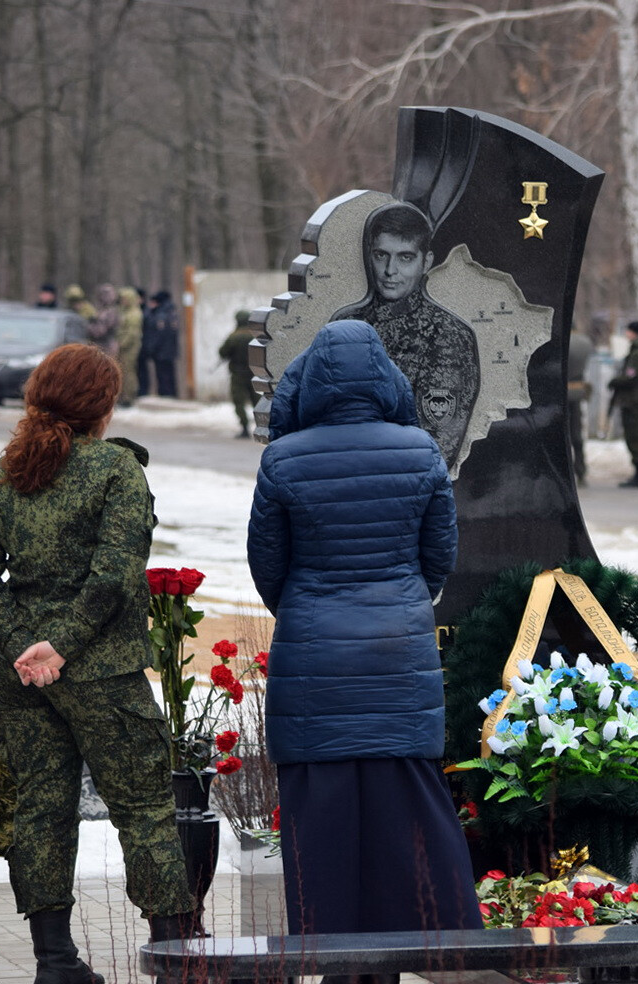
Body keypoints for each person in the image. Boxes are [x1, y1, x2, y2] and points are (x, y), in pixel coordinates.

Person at [0, 344, 197, 982]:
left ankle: (55, 964)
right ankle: (173, 959)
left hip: (22, 679)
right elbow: (115, 575)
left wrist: (22, 646)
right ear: (103, 406)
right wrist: (58, 646)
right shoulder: (116, 472)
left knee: (41, 810)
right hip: (102, 674)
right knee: (144, 809)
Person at [247, 320, 480, 947]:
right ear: (384, 378)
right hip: (397, 654)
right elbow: (438, 561)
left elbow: (268, 568)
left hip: (314, 666)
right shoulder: (420, 451)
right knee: (409, 824)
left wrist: (307, 607)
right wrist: (400, 598)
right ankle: (432, 949)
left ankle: (337, 960)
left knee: (318, 836)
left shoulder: (283, 459)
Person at [334, 202, 479, 468]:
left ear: (426, 263)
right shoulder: (345, 324)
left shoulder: (447, 334)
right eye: (381, 255)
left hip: (395, 486)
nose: (390, 271)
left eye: (405, 258)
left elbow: (435, 446)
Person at [607, 320, 638, 488]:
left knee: (634, 435)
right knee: (637, 434)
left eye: (628, 331)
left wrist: (615, 381)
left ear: (634, 332)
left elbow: (631, 376)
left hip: (633, 400)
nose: (626, 334)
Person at [218, 310, 257, 438]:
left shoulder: (234, 336)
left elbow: (223, 352)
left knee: (239, 402)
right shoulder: (255, 335)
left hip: (238, 374)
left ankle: (245, 427)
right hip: (255, 373)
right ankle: (263, 426)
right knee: (257, 401)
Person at [566, 328, 594, 486]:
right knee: (577, 435)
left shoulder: (562, 340)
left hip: (561, 392)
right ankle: (581, 470)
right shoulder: (584, 343)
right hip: (577, 391)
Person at [146, 290, 180, 397]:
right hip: (169, 350)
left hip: (161, 351)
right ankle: (171, 394)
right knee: (169, 374)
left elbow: (157, 334)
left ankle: (166, 395)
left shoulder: (160, 314)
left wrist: (151, 348)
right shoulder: (171, 312)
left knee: (163, 375)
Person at [116, 287, 143, 408]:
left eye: (125, 299)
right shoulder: (124, 311)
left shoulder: (134, 313)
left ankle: (129, 397)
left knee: (128, 372)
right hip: (123, 346)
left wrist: (121, 344)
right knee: (123, 371)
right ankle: (123, 396)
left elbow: (132, 333)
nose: (123, 301)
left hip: (129, 348)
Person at [89, 283, 120, 357]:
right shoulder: (100, 310)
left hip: (107, 346)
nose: (103, 297)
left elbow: (100, 331)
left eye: (106, 295)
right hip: (99, 345)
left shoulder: (111, 312)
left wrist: (89, 328)